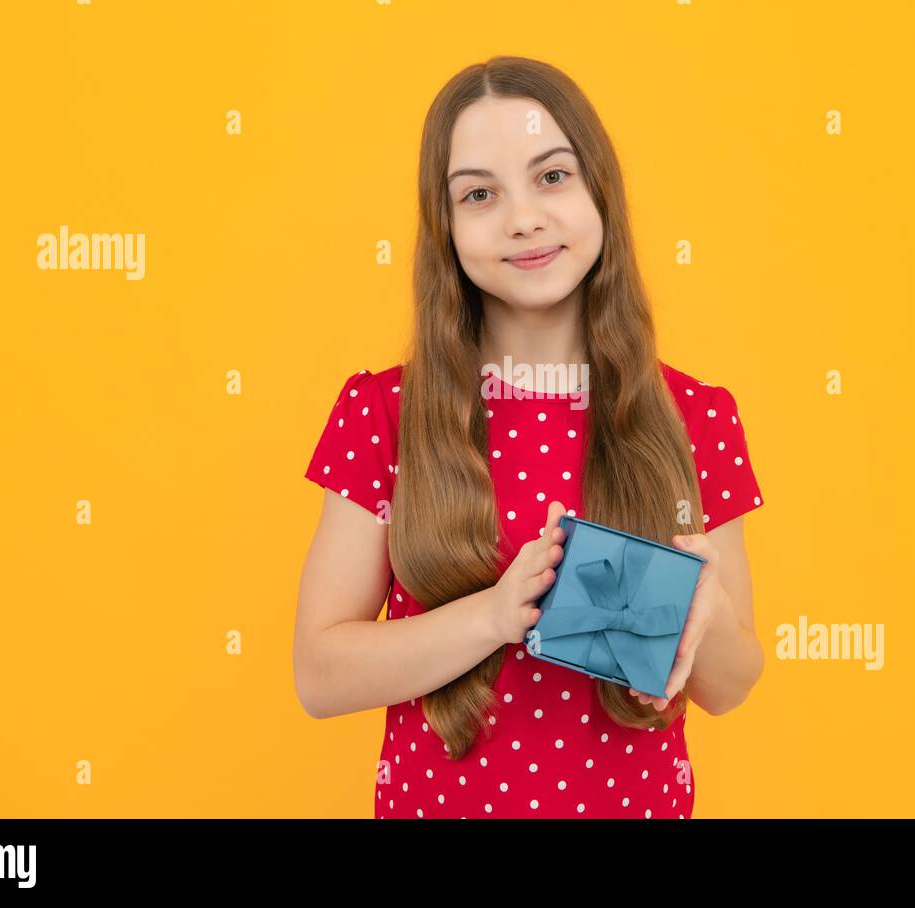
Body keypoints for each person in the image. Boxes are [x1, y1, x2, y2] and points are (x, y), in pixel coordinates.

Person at [293, 55, 766, 818]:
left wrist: (702, 618)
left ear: (599, 190)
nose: (523, 217)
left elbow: (732, 686)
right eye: (479, 193)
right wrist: (492, 615)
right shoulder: (385, 413)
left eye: (552, 176)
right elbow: (318, 676)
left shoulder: (694, 416)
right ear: (445, 226)